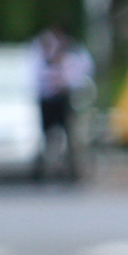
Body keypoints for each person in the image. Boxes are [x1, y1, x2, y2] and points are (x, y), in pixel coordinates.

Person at [30, 26, 93, 182]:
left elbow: (79, 75)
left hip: (63, 100)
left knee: (69, 136)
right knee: (46, 137)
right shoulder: (38, 54)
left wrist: (65, 82)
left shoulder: (72, 54)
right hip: (48, 100)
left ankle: (71, 169)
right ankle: (43, 169)